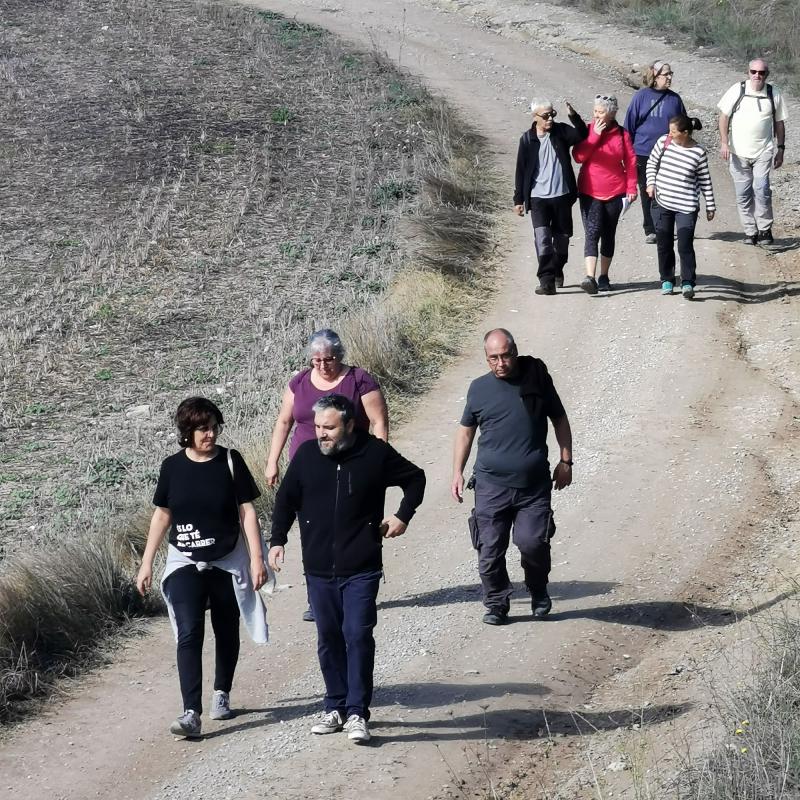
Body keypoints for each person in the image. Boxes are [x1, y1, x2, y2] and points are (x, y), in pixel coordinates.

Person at [268, 395, 425, 744]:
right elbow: (286, 499)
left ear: (350, 425)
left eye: (329, 427)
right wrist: (277, 539)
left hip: (362, 567)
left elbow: (416, 478)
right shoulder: (307, 456)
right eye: (318, 426)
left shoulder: (375, 454)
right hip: (319, 569)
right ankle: (335, 706)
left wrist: (402, 516)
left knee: (356, 634)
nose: (321, 434)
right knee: (328, 638)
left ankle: (357, 712)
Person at [136, 397, 268, 739]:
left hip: (226, 561)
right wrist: (147, 562)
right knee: (189, 633)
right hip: (184, 561)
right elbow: (162, 514)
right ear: (187, 432)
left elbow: (247, 512)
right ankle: (191, 712)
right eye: (202, 428)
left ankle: (221, 693)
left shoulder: (230, 461)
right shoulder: (172, 467)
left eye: (213, 427)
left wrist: (256, 559)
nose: (210, 434)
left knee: (226, 630)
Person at [265, 328, 388, 622]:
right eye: (316, 360)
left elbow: (379, 422)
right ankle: (317, 596)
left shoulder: (359, 380)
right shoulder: (299, 383)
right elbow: (284, 422)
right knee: (313, 530)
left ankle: (356, 586)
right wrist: (272, 462)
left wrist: (378, 462)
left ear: (340, 356)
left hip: (350, 467)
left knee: (346, 526)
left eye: (328, 359)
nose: (322, 365)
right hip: (306, 469)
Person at [451, 329, 573, 625]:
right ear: (486, 358)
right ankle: (496, 604)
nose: (501, 363)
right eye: (494, 357)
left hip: (533, 484)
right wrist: (457, 470)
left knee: (533, 543)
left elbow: (559, 418)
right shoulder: (478, 389)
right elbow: (466, 431)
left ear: (515, 352)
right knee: (489, 551)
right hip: (491, 485)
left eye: (506, 355)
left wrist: (566, 460)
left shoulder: (536, 381)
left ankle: (538, 590)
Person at [514, 98, 588, 295]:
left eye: (552, 114)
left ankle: (557, 270)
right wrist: (518, 200)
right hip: (538, 198)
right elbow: (521, 171)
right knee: (543, 239)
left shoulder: (561, 131)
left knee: (562, 240)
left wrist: (573, 115)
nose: (550, 119)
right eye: (545, 116)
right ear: (535, 117)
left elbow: (582, 134)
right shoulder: (527, 140)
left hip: (562, 196)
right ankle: (546, 281)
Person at [718, 58, 788, 246]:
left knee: (762, 189)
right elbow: (724, 117)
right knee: (743, 193)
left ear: (767, 74)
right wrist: (724, 142)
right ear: (748, 72)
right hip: (737, 152)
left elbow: (779, 123)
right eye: (753, 72)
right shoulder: (737, 89)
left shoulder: (774, 93)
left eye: (761, 72)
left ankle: (764, 229)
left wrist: (780, 149)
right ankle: (750, 231)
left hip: (763, 151)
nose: (757, 75)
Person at [573, 94, 638, 293]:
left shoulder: (622, 134)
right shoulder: (587, 129)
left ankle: (604, 276)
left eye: (601, 112)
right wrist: (594, 137)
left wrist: (632, 187)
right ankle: (589, 277)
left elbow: (631, 161)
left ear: (612, 114)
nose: (597, 116)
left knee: (608, 234)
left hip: (615, 191)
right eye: (595, 112)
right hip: (589, 190)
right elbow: (578, 156)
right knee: (592, 233)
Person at [646, 115, 716, 299]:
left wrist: (710, 205)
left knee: (685, 245)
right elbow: (652, 164)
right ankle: (667, 279)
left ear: (685, 133)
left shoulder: (698, 152)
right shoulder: (664, 142)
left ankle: (687, 282)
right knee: (664, 243)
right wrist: (650, 183)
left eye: (673, 131)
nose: (669, 134)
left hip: (686, 206)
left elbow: (705, 180)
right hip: (662, 202)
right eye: (669, 130)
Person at [624, 60, 687, 244]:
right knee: (647, 190)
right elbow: (629, 126)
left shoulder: (675, 99)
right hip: (643, 152)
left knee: (666, 189)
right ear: (655, 76)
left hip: (668, 153)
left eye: (670, 73)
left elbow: (683, 126)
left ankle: (664, 226)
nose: (669, 77)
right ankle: (651, 229)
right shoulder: (641, 97)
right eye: (665, 74)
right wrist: (627, 153)